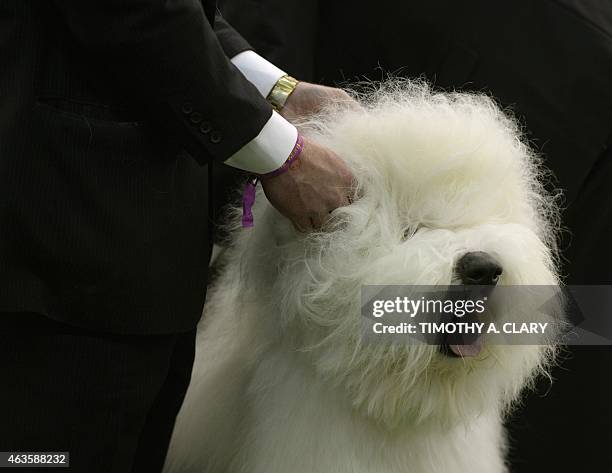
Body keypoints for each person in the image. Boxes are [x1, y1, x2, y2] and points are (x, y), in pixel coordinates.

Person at [220, 0, 612, 471]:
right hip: (354, 172)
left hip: (540, 180)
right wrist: (266, 142)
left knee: (523, 346)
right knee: (340, 351)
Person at [0, 1, 355, 472]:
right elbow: (140, 13)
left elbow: (185, 11)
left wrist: (277, 89)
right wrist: (280, 153)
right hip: (69, 252)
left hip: (143, 264)